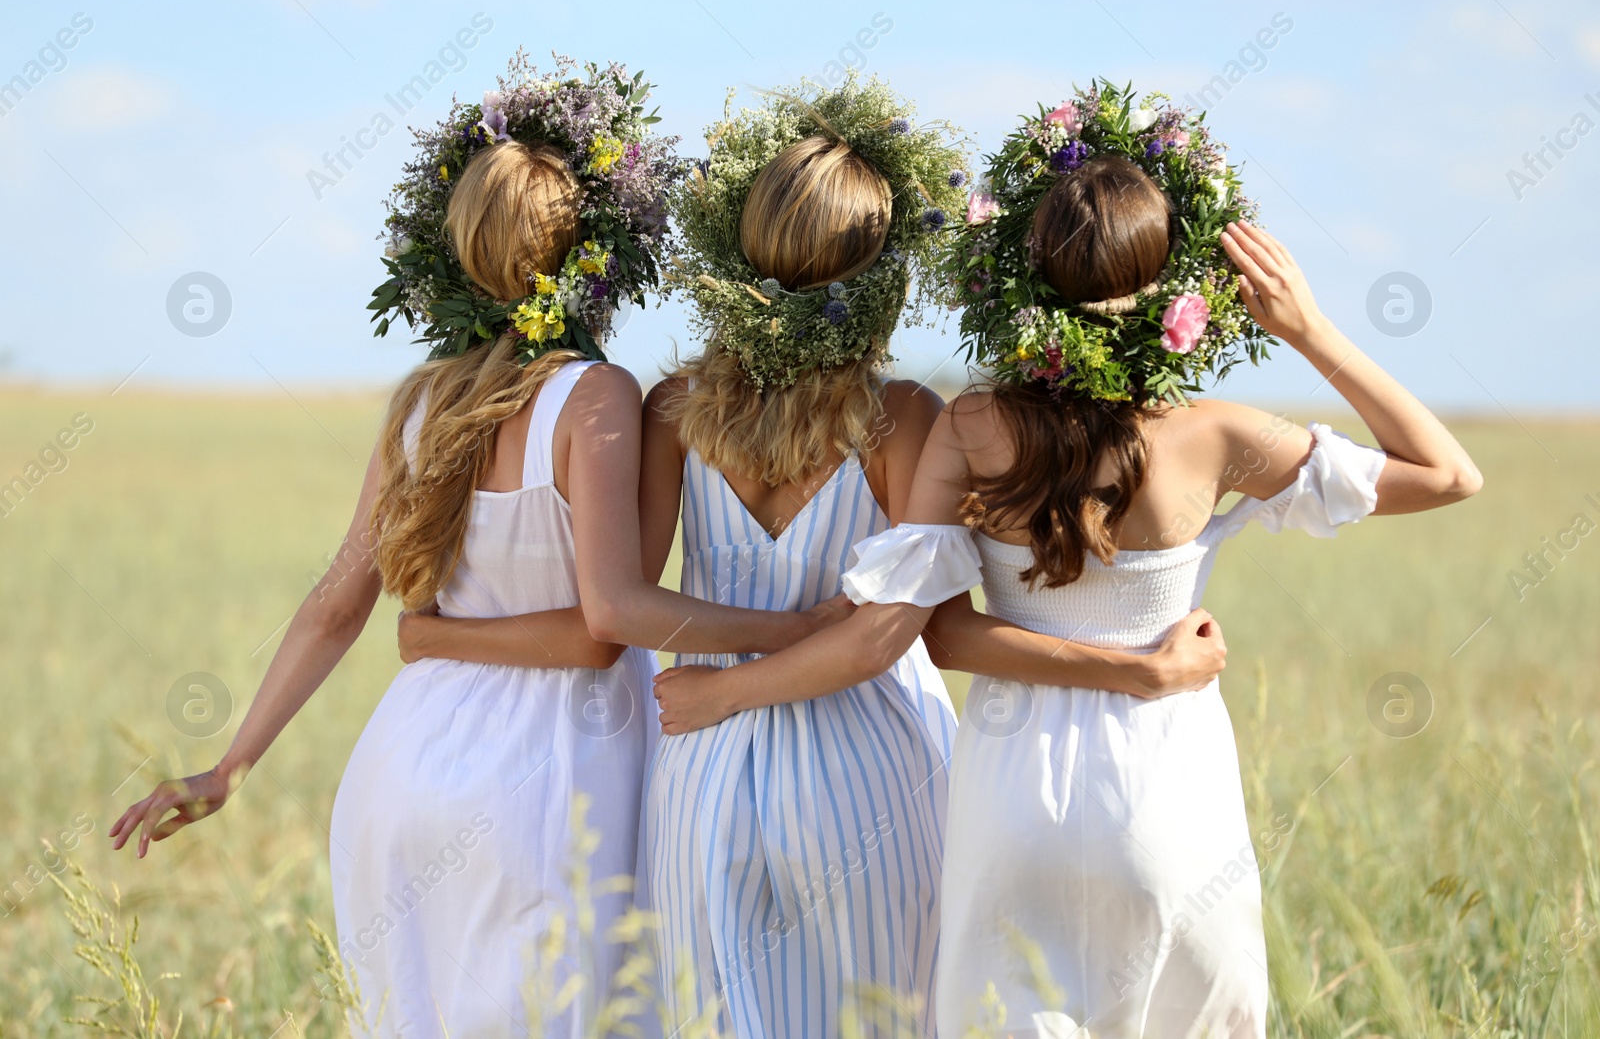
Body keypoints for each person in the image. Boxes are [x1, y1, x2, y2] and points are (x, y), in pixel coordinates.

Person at [651, 89, 1481, 1037]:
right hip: (1167, 789)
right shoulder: (1214, 436)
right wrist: (1308, 329)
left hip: (1011, 795)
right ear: (1175, 286)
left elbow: (937, 631)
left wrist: (725, 688)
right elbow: (1448, 472)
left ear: (1022, 278)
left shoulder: (971, 424)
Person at [406, 77, 1226, 1036]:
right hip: (865, 768)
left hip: (702, 774)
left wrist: (709, 684)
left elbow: (621, 607)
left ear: (742, 255)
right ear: (877, 273)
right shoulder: (901, 419)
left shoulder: (672, 409)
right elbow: (899, 629)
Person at [108, 62, 840, 1038]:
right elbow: (604, 622)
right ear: (592, 250)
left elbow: (337, 601)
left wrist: (232, 763)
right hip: (550, 775)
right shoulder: (594, 394)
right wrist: (795, 628)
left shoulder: (417, 404)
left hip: (402, 769)